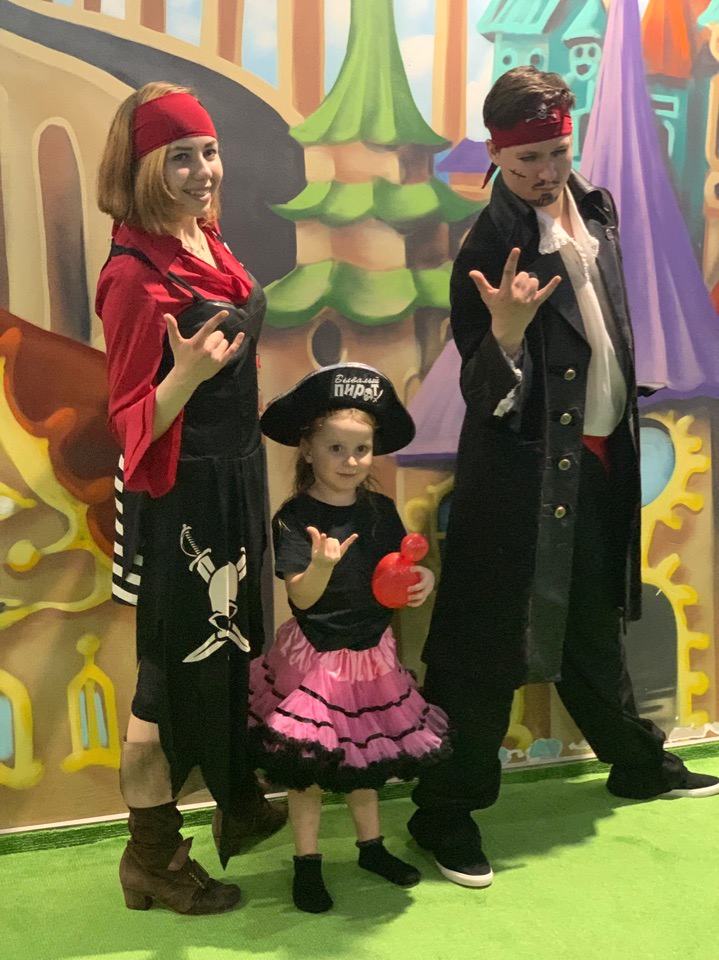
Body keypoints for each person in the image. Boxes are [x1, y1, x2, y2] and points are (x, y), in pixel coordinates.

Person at [408, 66, 719, 890]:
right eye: (526, 161)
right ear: (496, 156)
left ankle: (636, 763)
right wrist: (505, 336)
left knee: (591, 622)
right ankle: (442, 812)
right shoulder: (487, 247)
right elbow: (485, 397)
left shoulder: (596, 209)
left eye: (555, 152)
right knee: (483, 646)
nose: (545, 173)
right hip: (519, 479)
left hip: (600, 461)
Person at [96, 81, 286, 915]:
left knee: (228, 652)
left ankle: (236, 800)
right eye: (180, 157)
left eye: (208, 151)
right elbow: (129, 421)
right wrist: (184, 376)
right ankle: (152, 858)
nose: (204, 170)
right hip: (174, 501)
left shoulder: (202, 237)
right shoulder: (132, 276)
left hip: (229, 484)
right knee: (162, 685)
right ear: (142, 168)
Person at [251, 363, 449, 913]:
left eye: (361, 449)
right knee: (309, 772)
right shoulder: (295, 517)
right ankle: (307, 863)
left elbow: (399, 570)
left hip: (372, 658)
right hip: (316, 663)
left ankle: (371, 848)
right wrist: (320, 564)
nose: (350, 461)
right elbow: (302, 598)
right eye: (335, 448)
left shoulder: (380, 510)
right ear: (308, 450)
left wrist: (422, 581)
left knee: (365, 761)